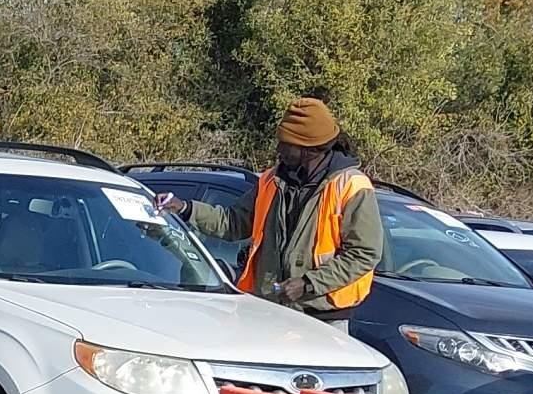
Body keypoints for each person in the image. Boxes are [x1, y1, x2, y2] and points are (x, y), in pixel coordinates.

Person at [162, 98, 383, 317]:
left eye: (286, 143)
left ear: (307, 149)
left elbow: (364, 254)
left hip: (323, 318)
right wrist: (185, 208)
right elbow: (233, 223)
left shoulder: (352, 186)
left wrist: (308, 284)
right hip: (270, 310)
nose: (279, 149)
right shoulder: (271, 180)